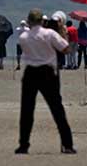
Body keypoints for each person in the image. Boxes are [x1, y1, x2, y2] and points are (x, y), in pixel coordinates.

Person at [16, 8, 74, 154]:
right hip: (47, 72)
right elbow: (66, 49)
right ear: (42, 21)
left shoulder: (23, 37)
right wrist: (63, 32)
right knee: (57, 108)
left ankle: (24, 144)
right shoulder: (49, 34)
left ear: (29, 22)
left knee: (27, 110)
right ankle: (67, 144)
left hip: (30, 72)